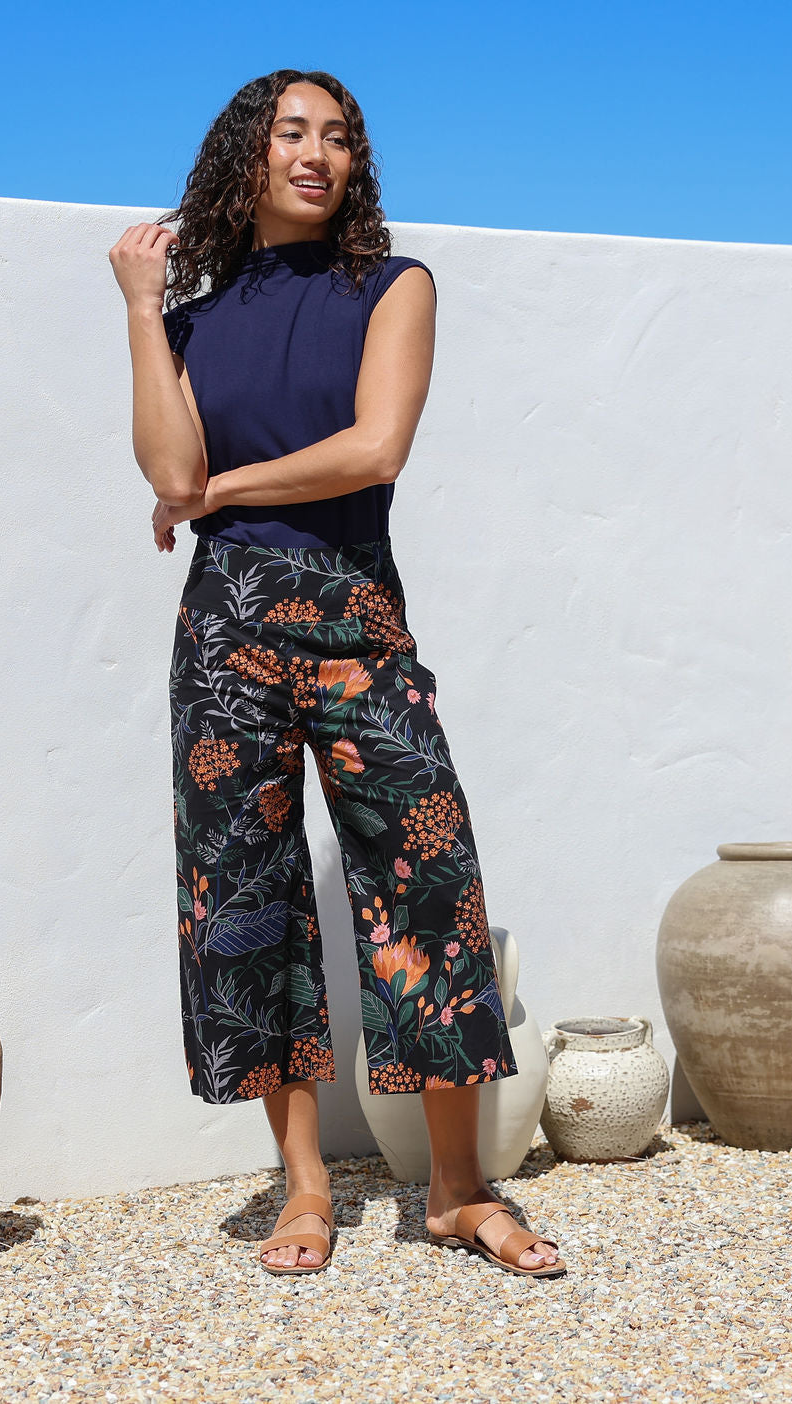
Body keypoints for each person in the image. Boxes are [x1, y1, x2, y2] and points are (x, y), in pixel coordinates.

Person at [108, 68, 565, 1280]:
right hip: (227, 624)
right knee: (244, 892)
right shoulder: (193, 320)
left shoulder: (392, 286)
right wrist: (145, 310)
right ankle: (303, 1185)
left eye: (339, 137)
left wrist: (220, 488)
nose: (318, 153)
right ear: (246, 155)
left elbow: (374, 447)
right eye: (292, 133)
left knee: (429, 873)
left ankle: (456, 1190)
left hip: (354, 603)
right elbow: (167, 469)